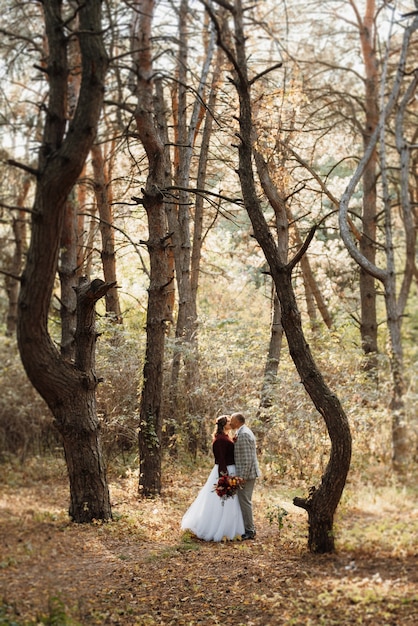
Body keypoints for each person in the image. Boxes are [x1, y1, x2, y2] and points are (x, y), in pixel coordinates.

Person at [181, 415, 245, 542]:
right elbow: (221, 458)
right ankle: (218, 528)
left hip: (231, 469)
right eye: (228, 422)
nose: (230, 423)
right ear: (223, 425)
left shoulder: (226, 437)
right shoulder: (220, 439)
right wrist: (224, 477)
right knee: (222, 501)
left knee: (231, 502)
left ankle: (229, 527)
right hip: (225, 470)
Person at [230, 412, 260, 540]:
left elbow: (247, 459)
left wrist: (242, 477)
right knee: (243, 501)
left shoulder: (244, 434)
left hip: (246, 475)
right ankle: (246, 527)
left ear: (237, 421)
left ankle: (250, 530)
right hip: (245, 473)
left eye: (232, 420)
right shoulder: (241, 432)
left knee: (245, 501)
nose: (230, 422)